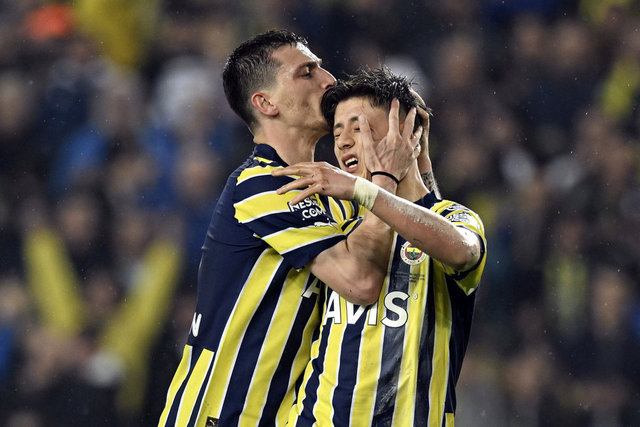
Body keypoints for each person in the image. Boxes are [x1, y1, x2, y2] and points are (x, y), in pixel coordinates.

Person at [158, 30, 421, 426]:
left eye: (321, 68)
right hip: (223, 416)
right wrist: (384, 178)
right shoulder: (261, 184)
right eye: (306, 73)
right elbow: (360, 281)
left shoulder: (338, 195)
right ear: (265, 103)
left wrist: (413, 160)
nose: (328, 80)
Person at [274, 68, 487, 426]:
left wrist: (382, 181)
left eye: (358, 128)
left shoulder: (453, 217)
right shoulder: (340, 224)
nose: (342, 142)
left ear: (404, 134)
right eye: (337, 132)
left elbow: (463, 252)